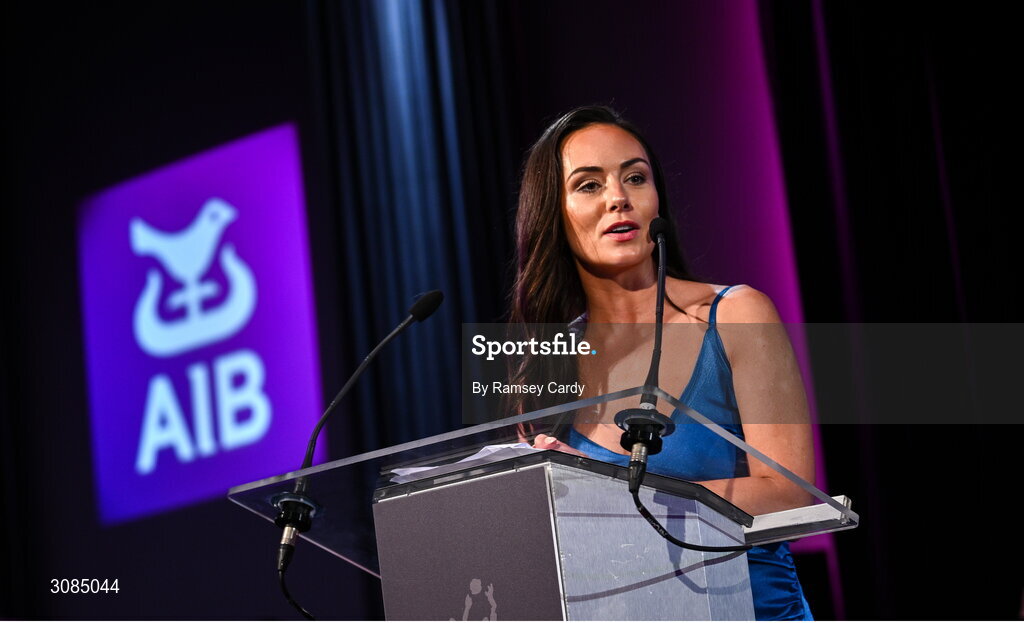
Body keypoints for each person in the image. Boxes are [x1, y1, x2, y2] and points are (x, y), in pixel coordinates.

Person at [510, 105, 815, 620]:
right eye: (589, 185)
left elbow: (791, 497)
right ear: (553, 213)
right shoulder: (543, 361)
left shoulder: (736, 314)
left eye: (635, 177)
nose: (618, 198)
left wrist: (610, 496)